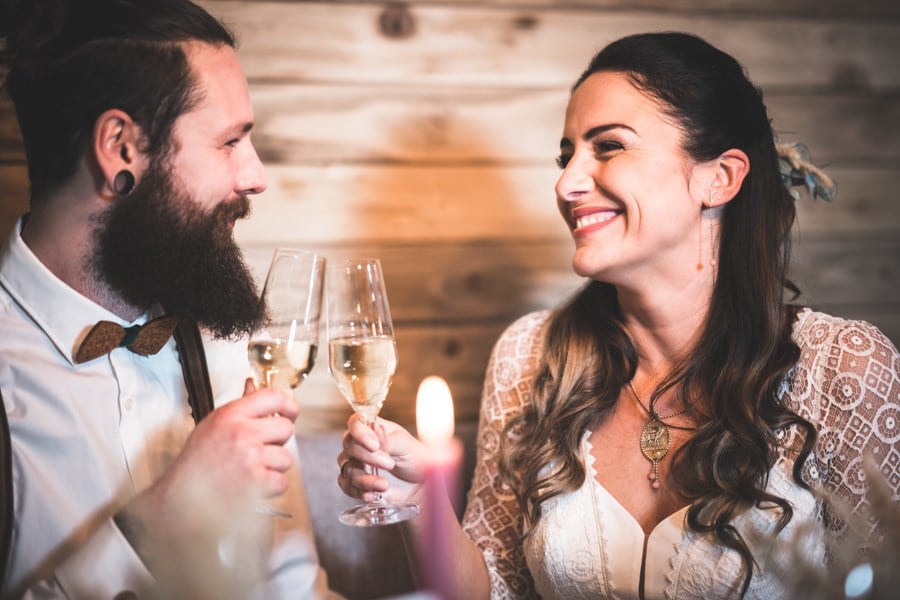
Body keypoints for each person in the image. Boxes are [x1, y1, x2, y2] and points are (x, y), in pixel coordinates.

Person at [337, 32, 899, 599]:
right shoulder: (528, 357)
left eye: (608, 147)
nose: (566, 183)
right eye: (567, 155)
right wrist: (418, 501)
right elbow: (496, 591)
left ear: (719, 177)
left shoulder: (843, 369)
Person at [0, 0, 337, 597]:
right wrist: (164, 518)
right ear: (121, 148)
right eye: (230, 141)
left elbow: (295, 588)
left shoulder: (226, 347)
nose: (256, 175)